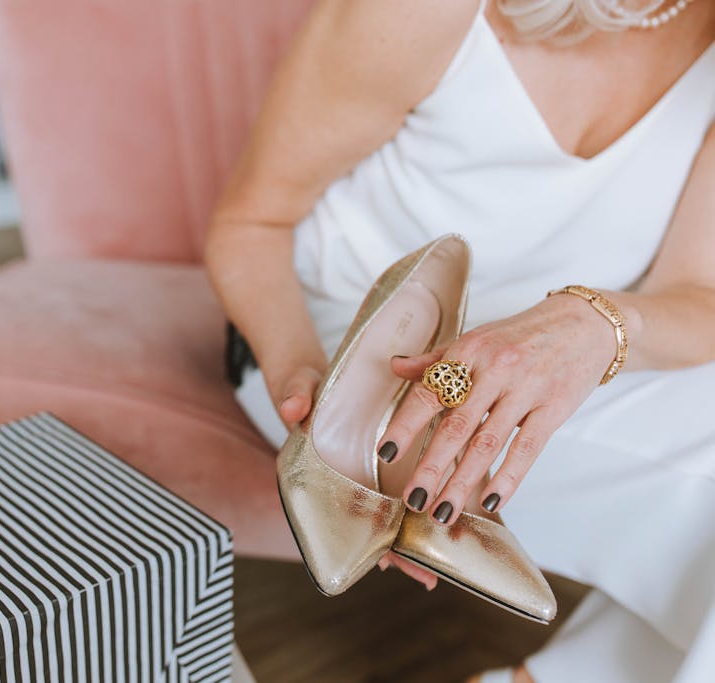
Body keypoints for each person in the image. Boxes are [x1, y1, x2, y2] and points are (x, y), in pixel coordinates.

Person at [204, 0, 715, 681]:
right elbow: (250, 223)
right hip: (357, 355)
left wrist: (594, 323)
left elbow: (697, 293)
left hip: (574, 353)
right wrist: (299, 370)